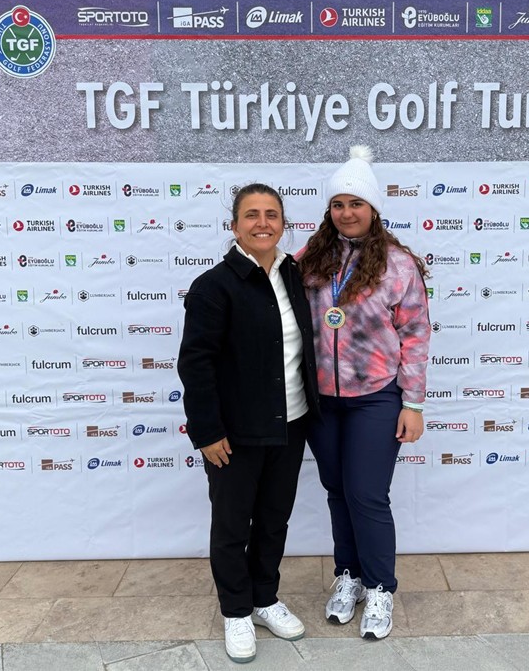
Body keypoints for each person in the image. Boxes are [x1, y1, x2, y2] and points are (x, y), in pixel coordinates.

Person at [178, 183, 321, 664]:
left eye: (272, 214)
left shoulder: (294, 274)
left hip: (291, 423)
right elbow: (195, 364)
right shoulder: (213, 286)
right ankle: (236, 610)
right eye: (252, 214)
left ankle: (264, 598)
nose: (263, 223)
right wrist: (207, 431)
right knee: (232, 525)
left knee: (274, 520)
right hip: (234, 434)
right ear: (235, 226)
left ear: (283, 223)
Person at [297, 146, 431, 640]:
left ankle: (379, 587)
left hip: (376, 397)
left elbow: (416, 334)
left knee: (367, 494)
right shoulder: (311, 259)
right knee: (337, 491)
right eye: (338, 204)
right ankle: (348, 576)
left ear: (373, 208)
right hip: (321, 400)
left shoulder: (398, 265)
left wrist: (412, 403)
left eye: (356, 203)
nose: (346, 212)